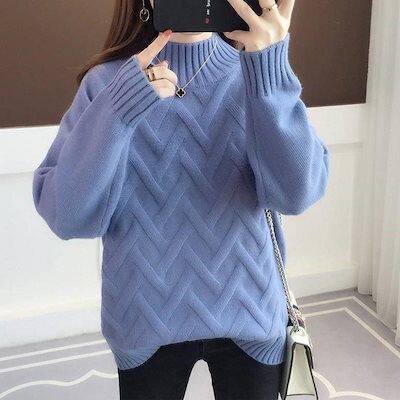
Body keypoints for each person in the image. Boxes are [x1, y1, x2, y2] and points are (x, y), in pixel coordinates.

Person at [32, 0, 330, 398]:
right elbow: (67, 215)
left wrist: (270, 68)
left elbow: (297, 194)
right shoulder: (109, 84)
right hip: (144, 320)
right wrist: (121, 107)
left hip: (252, 313)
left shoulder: (256, 71)